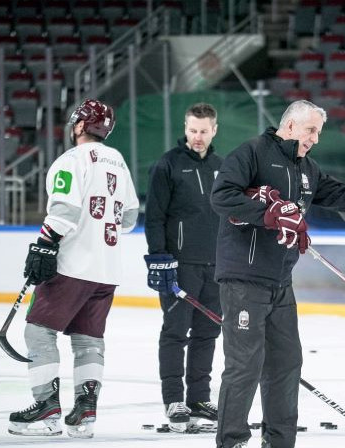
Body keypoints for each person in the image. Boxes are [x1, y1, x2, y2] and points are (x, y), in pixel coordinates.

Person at [199, 100, 345, 448]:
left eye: (318, 132)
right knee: (245, 365)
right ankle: (231, 441)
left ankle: (279, 441)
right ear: (290, 126)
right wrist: (269, 212)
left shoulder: (307, 170)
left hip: (280, 282)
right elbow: (222, 197)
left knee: (286, 364)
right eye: (311, 130)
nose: (315, 138)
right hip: (244, 278)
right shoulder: (253, 153)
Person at [8, 99, 139, 438]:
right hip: (107, 270)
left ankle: (46, 408)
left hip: (72, 265)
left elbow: (63, 210)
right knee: (88, 339)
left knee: (38, 331)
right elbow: (128, 218)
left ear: (80, 126)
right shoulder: (119, 162)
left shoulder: (71, 160)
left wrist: (45, 243)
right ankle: (85, 414)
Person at [144, 103, 223, 432]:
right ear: (185, 128)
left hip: (216, 267)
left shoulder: (224, 167)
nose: (198, 137)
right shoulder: (168, 164)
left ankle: (199, 398)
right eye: (193, 130)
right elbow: (154, 216)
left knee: (207, 332)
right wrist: (159, 257)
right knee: (176, 331)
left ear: (214, 130)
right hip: (179, 265)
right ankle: (174, 398)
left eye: (204, 131)